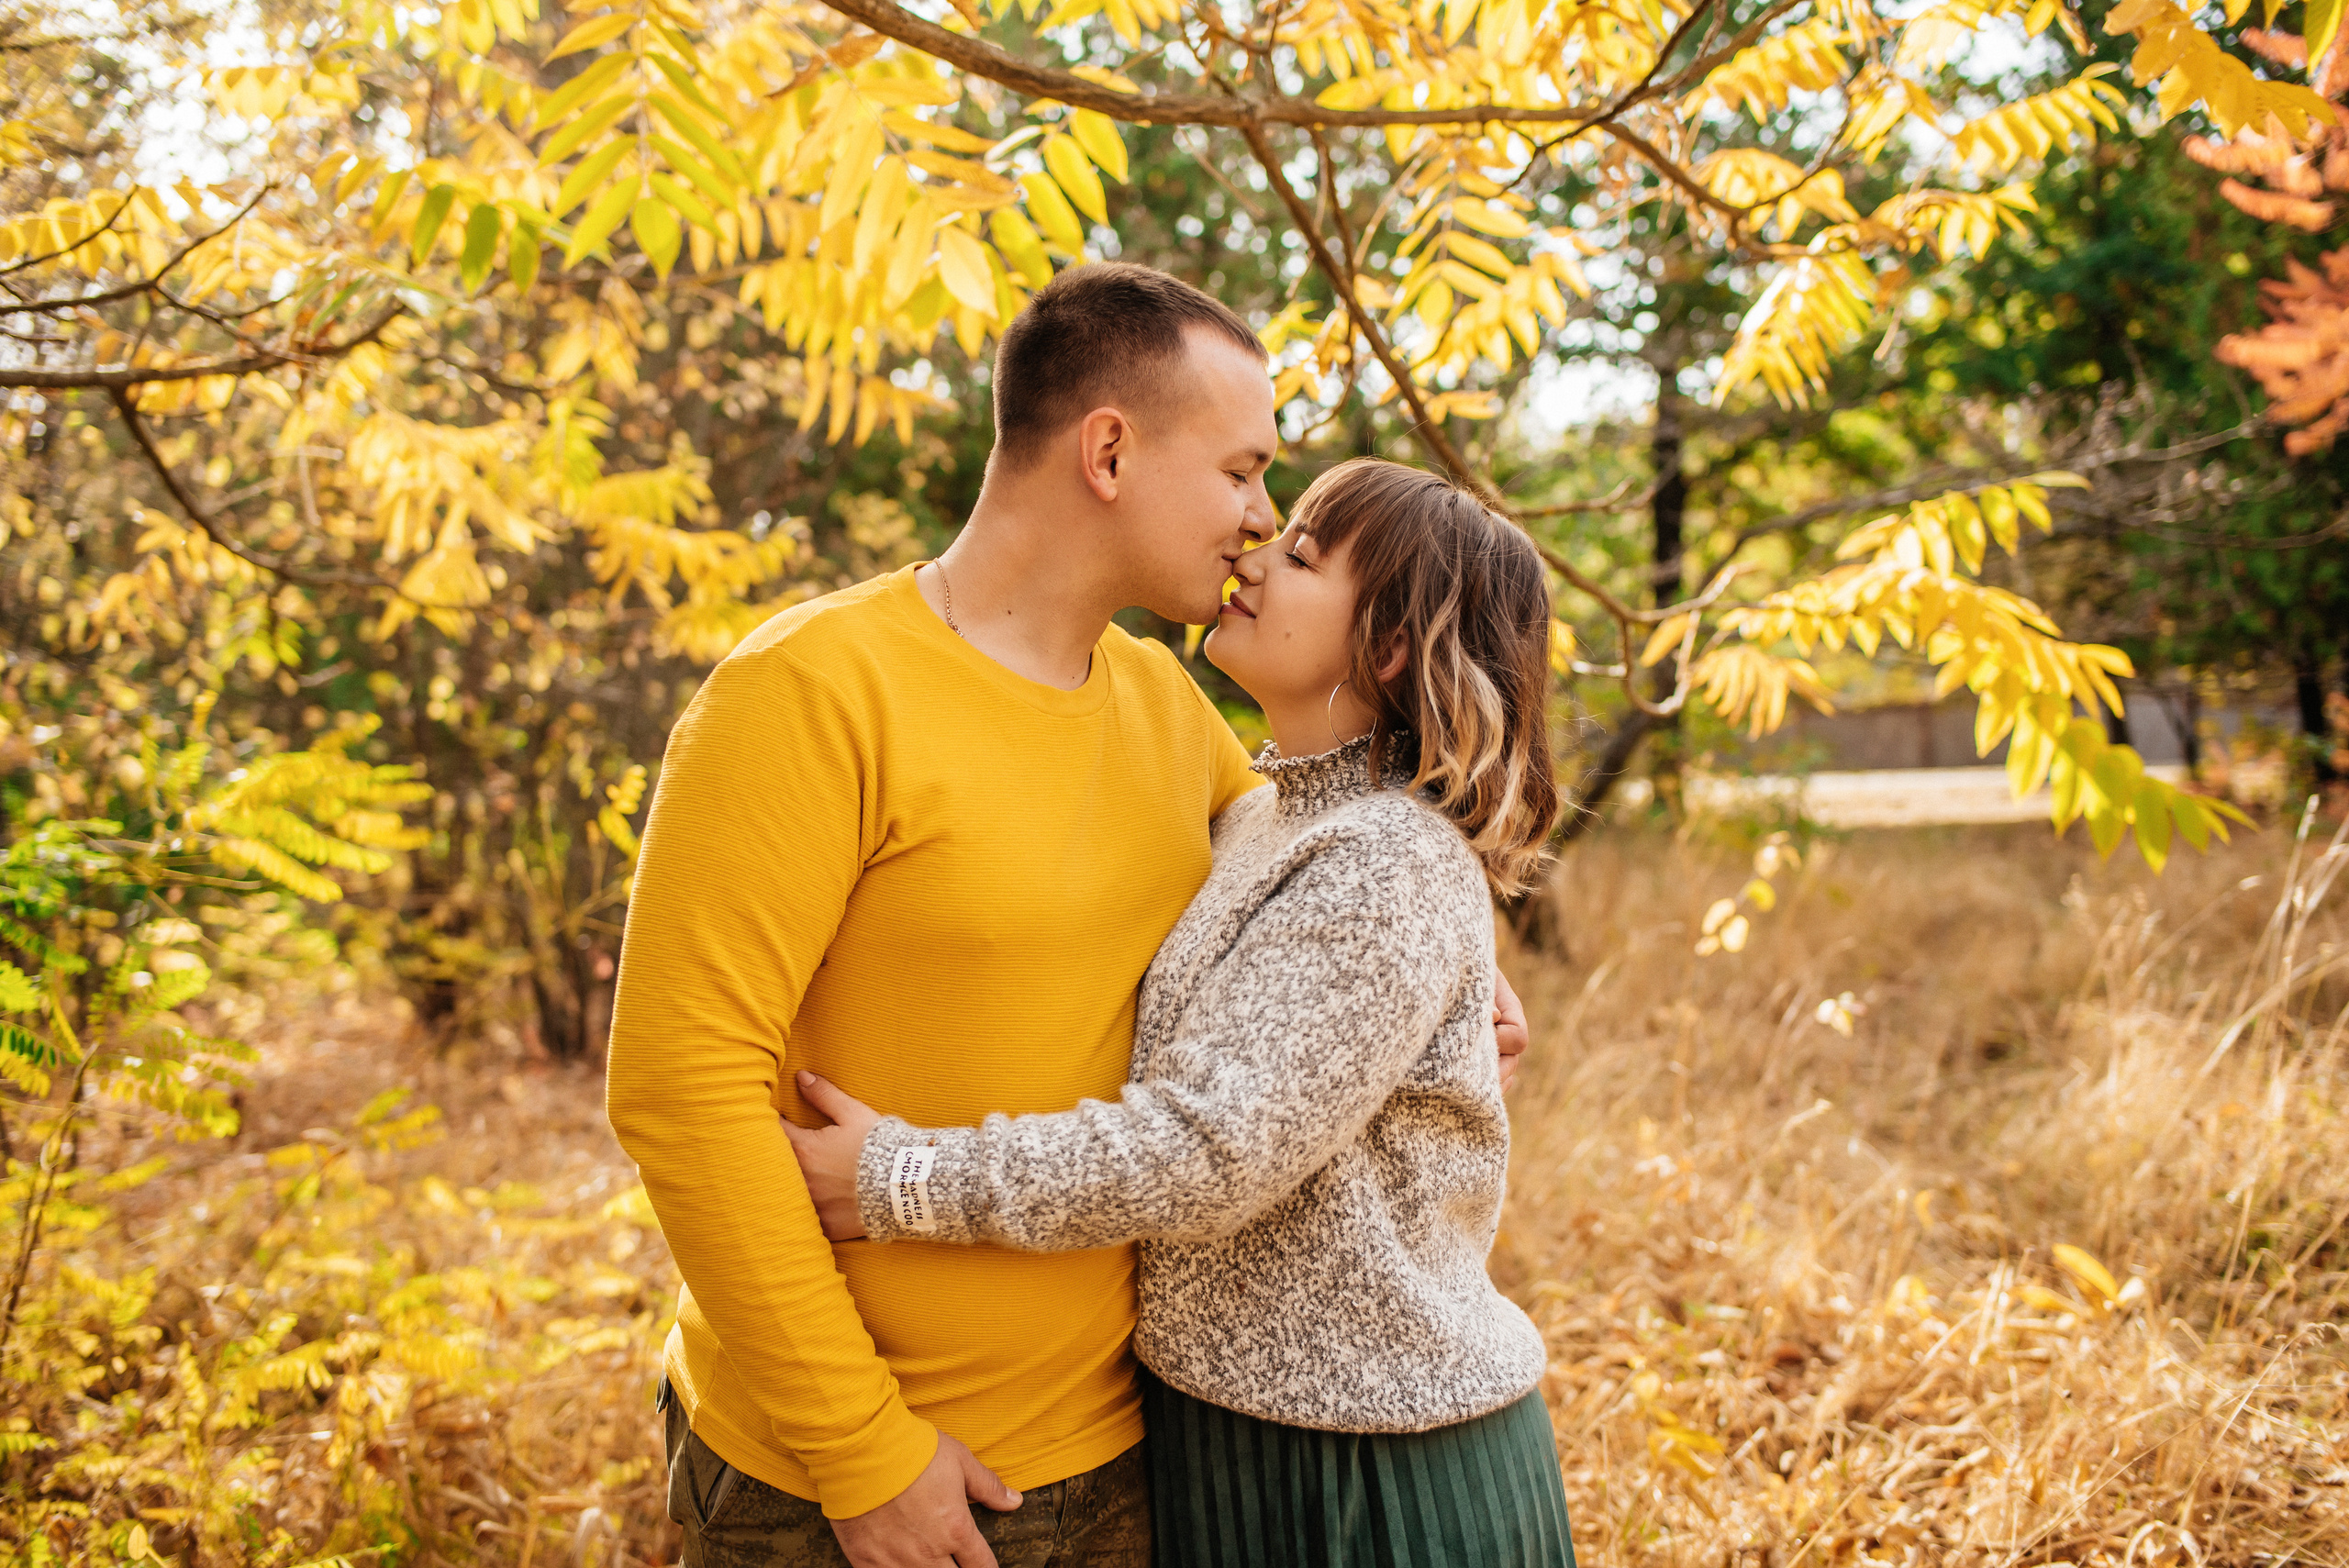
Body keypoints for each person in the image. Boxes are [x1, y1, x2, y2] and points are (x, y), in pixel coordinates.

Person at [605, 265, 1531, 1568]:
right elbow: (679, 1089)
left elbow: (1337, 874)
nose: (1259, 523)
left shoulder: (1163, 706)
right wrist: (864, 1451)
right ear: (1109, 449)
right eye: (1241, 473)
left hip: (1142, 1460)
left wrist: (1461, 979)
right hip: (845, 1483)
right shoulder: (809, 690)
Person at [784, 458, 1577, 1568]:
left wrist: (898, 1177)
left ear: (1389, 647)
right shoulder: (1272, 821)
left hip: (1366, 1473)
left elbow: (1206, 1153)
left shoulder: (1384, 860)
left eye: (1301, 553)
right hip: (1229, 1439)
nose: (1256, 554)